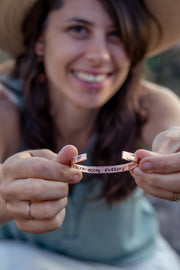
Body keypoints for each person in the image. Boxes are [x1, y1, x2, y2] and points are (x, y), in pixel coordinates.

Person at [0, 0, 180, 269]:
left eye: (117, 34)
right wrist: (7, 196)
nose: (101, 55)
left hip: (135, 262)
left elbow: (174, 133)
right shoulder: (6, 107)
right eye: (79, 29)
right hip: (24, 257)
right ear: (40, 40)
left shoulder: (151, 105)